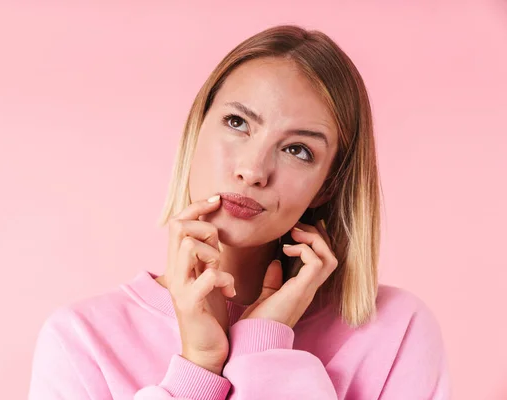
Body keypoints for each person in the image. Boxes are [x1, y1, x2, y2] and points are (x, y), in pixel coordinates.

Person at [28, 25, 450, 399]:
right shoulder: (81, 341)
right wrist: (197, 369)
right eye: (237, 123)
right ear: (197, 128)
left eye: (298, 150)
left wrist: (264, 348)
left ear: (330, 184)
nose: (252, 170)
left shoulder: (395, 332)